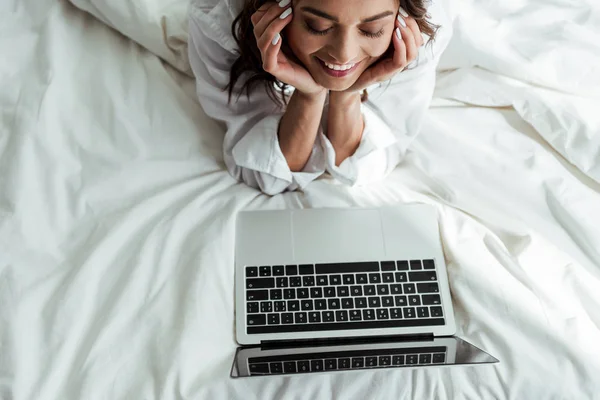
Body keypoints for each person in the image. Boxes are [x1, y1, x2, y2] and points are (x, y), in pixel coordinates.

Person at [188, 0, 451, 195]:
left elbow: (366, 165)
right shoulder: (218, 19)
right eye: (318, 26)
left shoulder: (422, 30)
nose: (344, 55)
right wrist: (310, 96)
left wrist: (346, 95)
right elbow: (264, 172)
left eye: (372, 30)